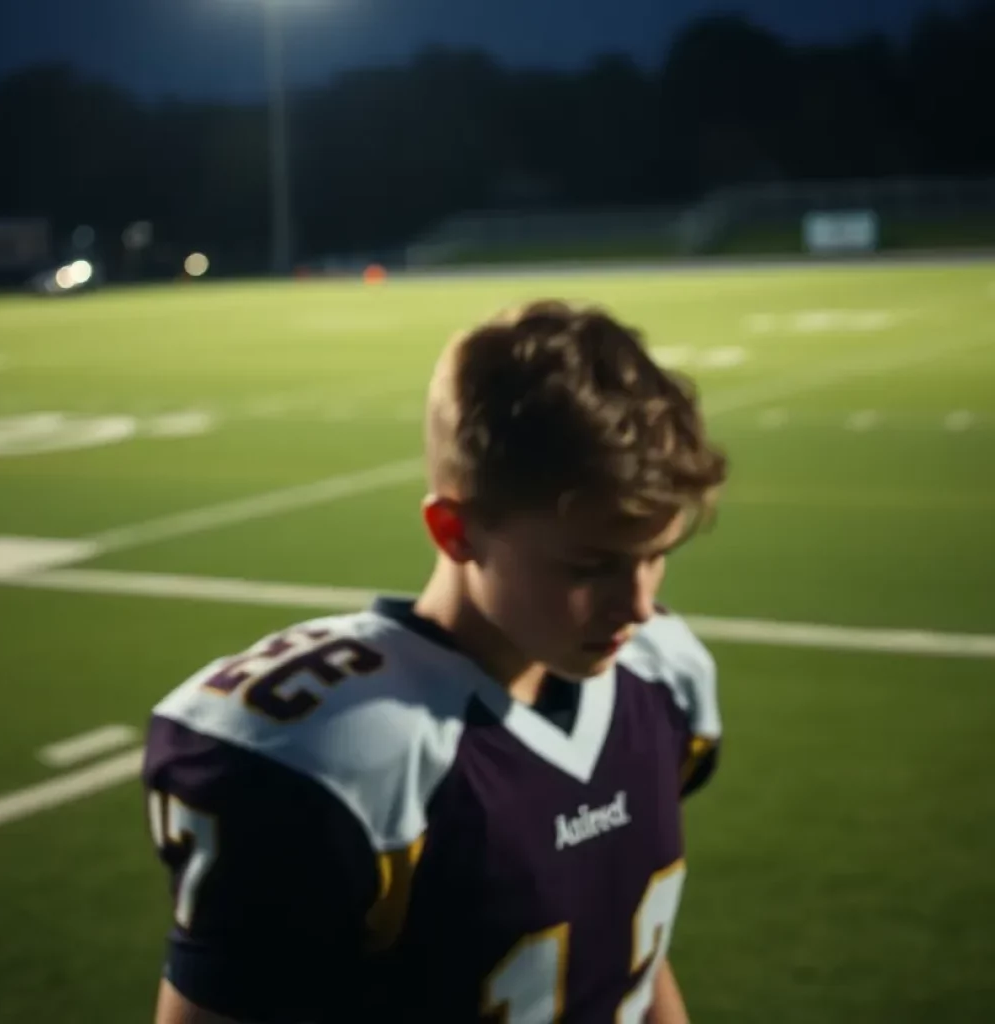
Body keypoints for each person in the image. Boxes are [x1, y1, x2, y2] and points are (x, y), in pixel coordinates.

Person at [143, 298, 729, 1024]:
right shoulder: (325, 756)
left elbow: (622, 953)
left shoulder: (660, 677)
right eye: (590, 567)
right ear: (455, 530)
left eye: (657, 556)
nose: (638, 606)